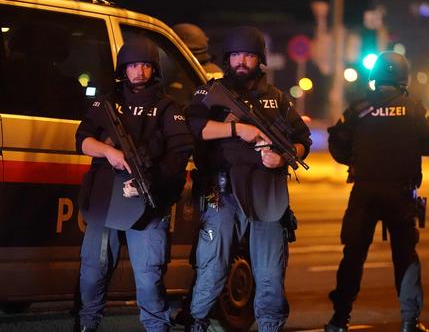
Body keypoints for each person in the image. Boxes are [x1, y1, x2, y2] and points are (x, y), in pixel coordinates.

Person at [185, 26, 311, 332]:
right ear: (227, 58)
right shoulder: (211, 92)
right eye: (236, 55)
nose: (242, 61)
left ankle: (269, 326)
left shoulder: (277, 99)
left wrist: (283, 156)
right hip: (221, 190)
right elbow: (195, 127)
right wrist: (237, 129)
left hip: (266, 192)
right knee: (212, 267)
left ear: (260, 60)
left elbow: (302, 142)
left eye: (249, 55)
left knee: (268, 274)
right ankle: (196, 322)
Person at [74, 38, 193, 332]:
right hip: (106, 199)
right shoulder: (106, 104)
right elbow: (83, 141)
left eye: (145, 65)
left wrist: (153, 181)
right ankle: (87, 325)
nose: (138, 71)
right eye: (132, 65)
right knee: (92, 273)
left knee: (149, 278)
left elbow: (179, 154)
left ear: (154, 70)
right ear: (122, 69)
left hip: (148, 201)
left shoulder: (167, 108)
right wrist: (110, 152)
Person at [325, 51, 429, 332]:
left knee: (353, 254)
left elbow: (336, 142)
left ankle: (339, 320)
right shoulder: (415, 108)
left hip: (364, 193)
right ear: (404, 78)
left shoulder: (359, 108)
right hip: (401, 195)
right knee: (405, 255)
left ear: (375, 76)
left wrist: (356, 159)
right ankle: (409, 322)